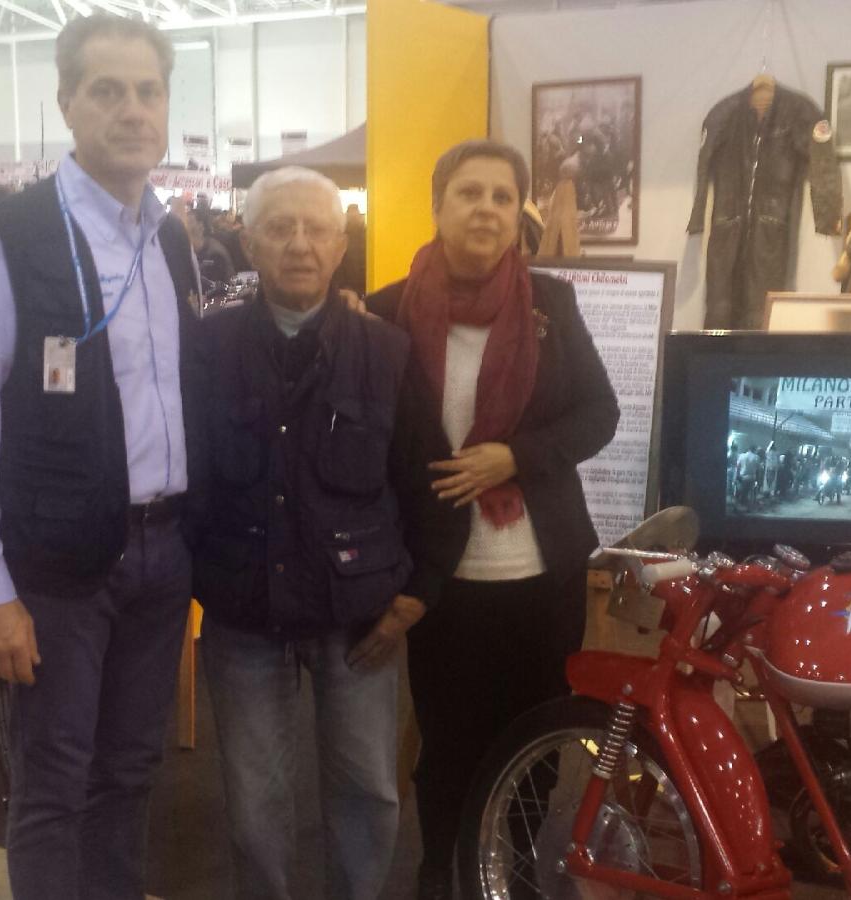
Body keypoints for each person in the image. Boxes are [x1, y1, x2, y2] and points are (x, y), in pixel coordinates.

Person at [0, 14, 200, 899]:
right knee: (53, 787)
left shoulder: (169, 240)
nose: (132, 110)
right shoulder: (6, 240)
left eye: (148, 91)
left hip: (162, 555)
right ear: (66, 103)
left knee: (130, 775)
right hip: (57, 566)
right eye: (107, 90)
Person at [366, 139, 619, 900]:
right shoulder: (384, 312)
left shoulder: (551, 305)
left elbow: (598, 414)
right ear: (437, 206)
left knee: (537, 739)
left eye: (502, 197)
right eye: (469, 193)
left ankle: (517, 870)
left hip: (543, 573)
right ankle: (442, 870)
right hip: (441, 577)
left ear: (518, 214)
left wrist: (515, 457)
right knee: (447, 741)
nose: (486, 209)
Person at [187, 166, 412, 900]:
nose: (300, 244)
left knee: (369, 791)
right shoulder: (205, 349)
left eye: (317, 229)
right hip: (244, 610)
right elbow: (190, 477)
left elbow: (419, 479)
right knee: (254, 806)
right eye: (280, 228)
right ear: (248, 243)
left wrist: (414, 594)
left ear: (341, 246)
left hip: (359, 616)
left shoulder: (387, 352)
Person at [186, 207, 235, 285]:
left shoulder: (214, 254)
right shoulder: (189, 252)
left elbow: (215, 287)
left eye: (189, 222)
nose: (185, 225)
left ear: (201, 226)